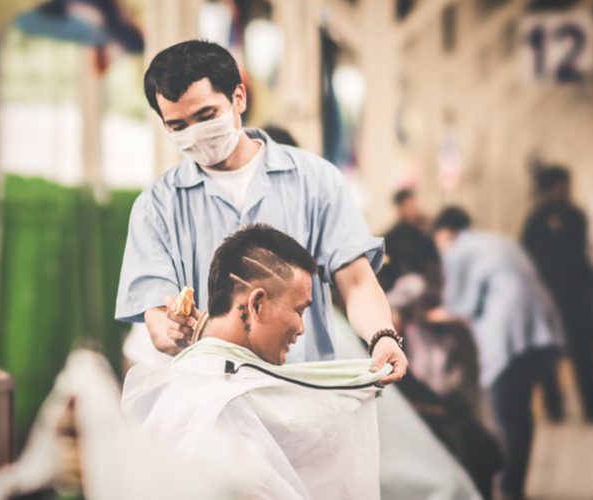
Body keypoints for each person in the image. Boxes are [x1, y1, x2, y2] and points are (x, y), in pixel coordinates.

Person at [115, 40, 406, 384]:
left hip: (304, 394)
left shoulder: (315, 180)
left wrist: (381, 336)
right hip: (213, 405)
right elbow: (157, 321)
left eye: (206, 116)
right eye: (178, 127)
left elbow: (356, 282)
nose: (195, 134)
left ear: (239, 97)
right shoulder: (156, 208)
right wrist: (174, 329)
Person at [121, 225, 390, 499]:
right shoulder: (225, 403)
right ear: (256, 304)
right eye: (298, 310)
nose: (301, 328)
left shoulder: (191, 384)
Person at [433, 206, 564, 500]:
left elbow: (459, 306)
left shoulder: (458, 250)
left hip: (507, 334)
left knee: (504, 411)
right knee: (521, 412)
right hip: (538, 328)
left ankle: (506, 487)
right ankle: (513, 484)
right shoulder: (498, 240)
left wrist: (428, 315)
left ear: (445, 233)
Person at [522, 166, 593, 421]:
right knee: (551, 356)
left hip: (575, 295)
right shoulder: (538, 219)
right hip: (550, 297)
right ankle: (554, 408)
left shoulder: (574, 216)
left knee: (583, 352)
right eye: (562, 185)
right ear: (551, 188)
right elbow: (530, 259)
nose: (567, 190)